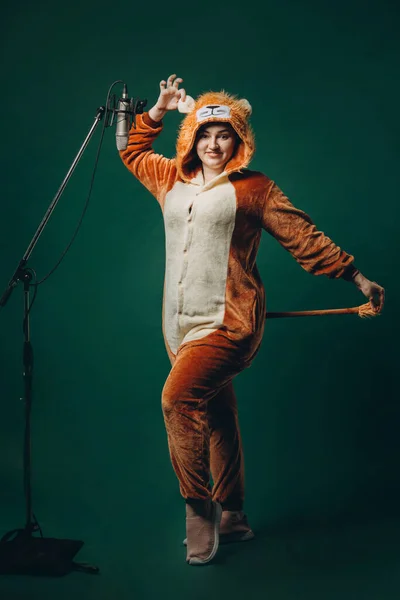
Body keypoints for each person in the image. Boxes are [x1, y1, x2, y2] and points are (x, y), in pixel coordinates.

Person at [119, 74, 385, 566]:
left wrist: (355, 275)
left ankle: (198, 512)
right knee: (218, 415)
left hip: (230, 323)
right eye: (205, 133)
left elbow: (302, 236)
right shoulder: (170, 179)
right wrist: (157, 109)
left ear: (238, 141)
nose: (214, 143)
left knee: (177, 400)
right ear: (192, 138)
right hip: (177, 326)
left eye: (225, 135)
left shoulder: (254, 188)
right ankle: (235, 517)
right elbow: (131, 151)